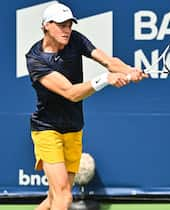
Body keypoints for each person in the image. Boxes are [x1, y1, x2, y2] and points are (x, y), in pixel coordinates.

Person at [25, 3, 147, 210]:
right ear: (46, 26)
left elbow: (108, 61)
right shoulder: (35, 60)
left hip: (74, 128)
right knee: (64, 198)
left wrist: (130, 70)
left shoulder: (75, 39)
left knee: (54, 198)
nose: (67, 30)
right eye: (61, 25)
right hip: (47, 130)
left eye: (69, 25)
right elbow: (70, 93)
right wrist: (106, 79)